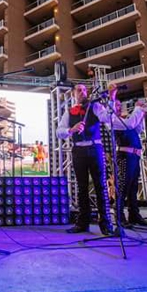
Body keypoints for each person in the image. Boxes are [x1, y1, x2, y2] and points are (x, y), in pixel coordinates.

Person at [56, 84, 114, 235]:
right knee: (81, 188)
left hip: (95, 149)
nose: (82, 92)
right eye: (79, 90)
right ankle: (83, 223)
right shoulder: (69, 112)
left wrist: (112, 98)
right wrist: (71, 130)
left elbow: (107, 117)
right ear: (74, 94)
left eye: (84, 90)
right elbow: (59, 132)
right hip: (78, 150)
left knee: (100, 186)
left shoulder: (95, 106)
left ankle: (106, 224)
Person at [109, 97, 147, 227]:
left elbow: (137, 129)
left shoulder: (125, 120)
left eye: (119, 105)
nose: (118, 108)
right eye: (115, 105)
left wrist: (141, 115)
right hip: (124, 156)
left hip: (134, 155)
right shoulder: (113, 120)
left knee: (133, 187)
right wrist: (138, 109)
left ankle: (134, 214)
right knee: (122, 187)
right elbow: (130, 125)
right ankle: (119, 216)